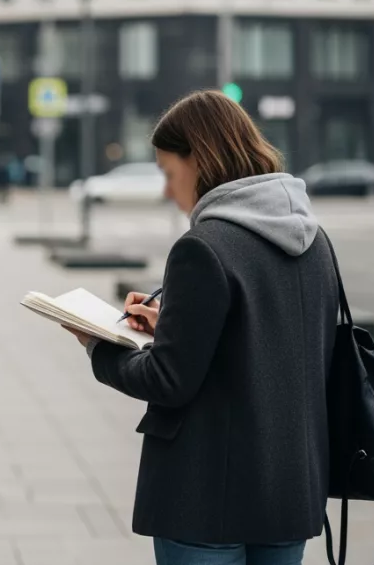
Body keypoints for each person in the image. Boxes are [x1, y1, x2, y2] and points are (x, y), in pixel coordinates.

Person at [60, 90, 338, 565]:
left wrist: (97, 344)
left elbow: (168, 380)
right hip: (291, 489)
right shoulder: (314, 242)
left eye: (169, 172)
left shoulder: (203, 247)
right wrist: (172, 324)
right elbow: (274, 346)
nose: (168, 190)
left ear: (202, 160)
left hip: (207, 496)